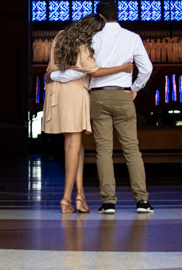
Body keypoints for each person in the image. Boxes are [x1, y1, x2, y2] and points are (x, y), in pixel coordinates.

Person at [53, 0, 153, 214]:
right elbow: (146, 68)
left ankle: (108, 203)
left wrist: (54, 75)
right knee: (132, 149)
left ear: (99, 16)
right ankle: (142, 201)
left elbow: (84, 69)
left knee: (103, 151)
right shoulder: (132, 37)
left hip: (97, 97)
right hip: (123, 95)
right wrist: (135, 87)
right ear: (118, 14)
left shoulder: (92, 38)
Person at [41, 14, 134, 214]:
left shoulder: (61, 36)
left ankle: (80, 195)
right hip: (74, 95)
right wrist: (124, 67)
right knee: (73, 145)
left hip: (57, 94)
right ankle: (66, 199)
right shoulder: (84, 47)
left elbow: (57, 71)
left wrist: (54, 75)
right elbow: (92, 71)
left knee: (77, 146)